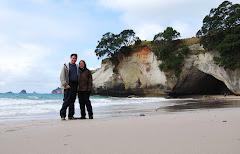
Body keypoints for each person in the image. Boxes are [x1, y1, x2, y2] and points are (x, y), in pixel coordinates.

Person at [60, 54, 78, 120]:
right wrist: (65, 84)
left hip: (75, 85)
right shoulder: (66, 66)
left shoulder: (77, 66)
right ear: (71, 58)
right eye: (73, 58)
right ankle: (63, 116)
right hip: (68, 84)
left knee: (72, 101)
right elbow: (62, 76)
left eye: (75, 58)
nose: (74, 59)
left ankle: (71, 116)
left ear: (76, 59)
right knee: (66, 100)